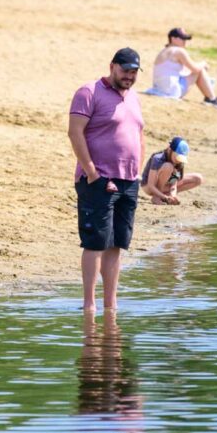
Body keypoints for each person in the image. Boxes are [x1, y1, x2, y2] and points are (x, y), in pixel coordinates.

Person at [68, 48, 145, 314]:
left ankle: (110, 305)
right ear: (112, 66)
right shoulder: (88, 92)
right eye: (125, 71)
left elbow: (138, 135)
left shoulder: (133, 97)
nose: (129, 76)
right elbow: (75, 132)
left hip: (128, 180)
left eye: (134, 72)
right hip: (98, 179)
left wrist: (138, 174)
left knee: (116, 244)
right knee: (95, 242)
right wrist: (92, 174)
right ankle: (89, 305)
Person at [149, 27, 217, 107]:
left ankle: (210, 93)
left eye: (185, 39)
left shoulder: (164, 51)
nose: (185, 41)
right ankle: (212, 98)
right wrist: (203, 64)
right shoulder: (178, 51)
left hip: (160, 89)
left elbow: (183, 70)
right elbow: (195, 69)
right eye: (182, 39)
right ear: (173, 38)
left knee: (197, 70)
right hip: (171, 91)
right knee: (200, 70)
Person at [141, 137, 203, 204]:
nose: (178, 161)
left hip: (165, 185)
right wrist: (164, 197)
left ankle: (166, 196)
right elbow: (151, 185)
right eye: (177, 157)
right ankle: (157, 197)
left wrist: (173, 195)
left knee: (198, 178)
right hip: (148, 186)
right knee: (169, 166)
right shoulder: (158, 158)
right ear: (170, 150)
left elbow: (173, 185)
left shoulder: (179, 162)